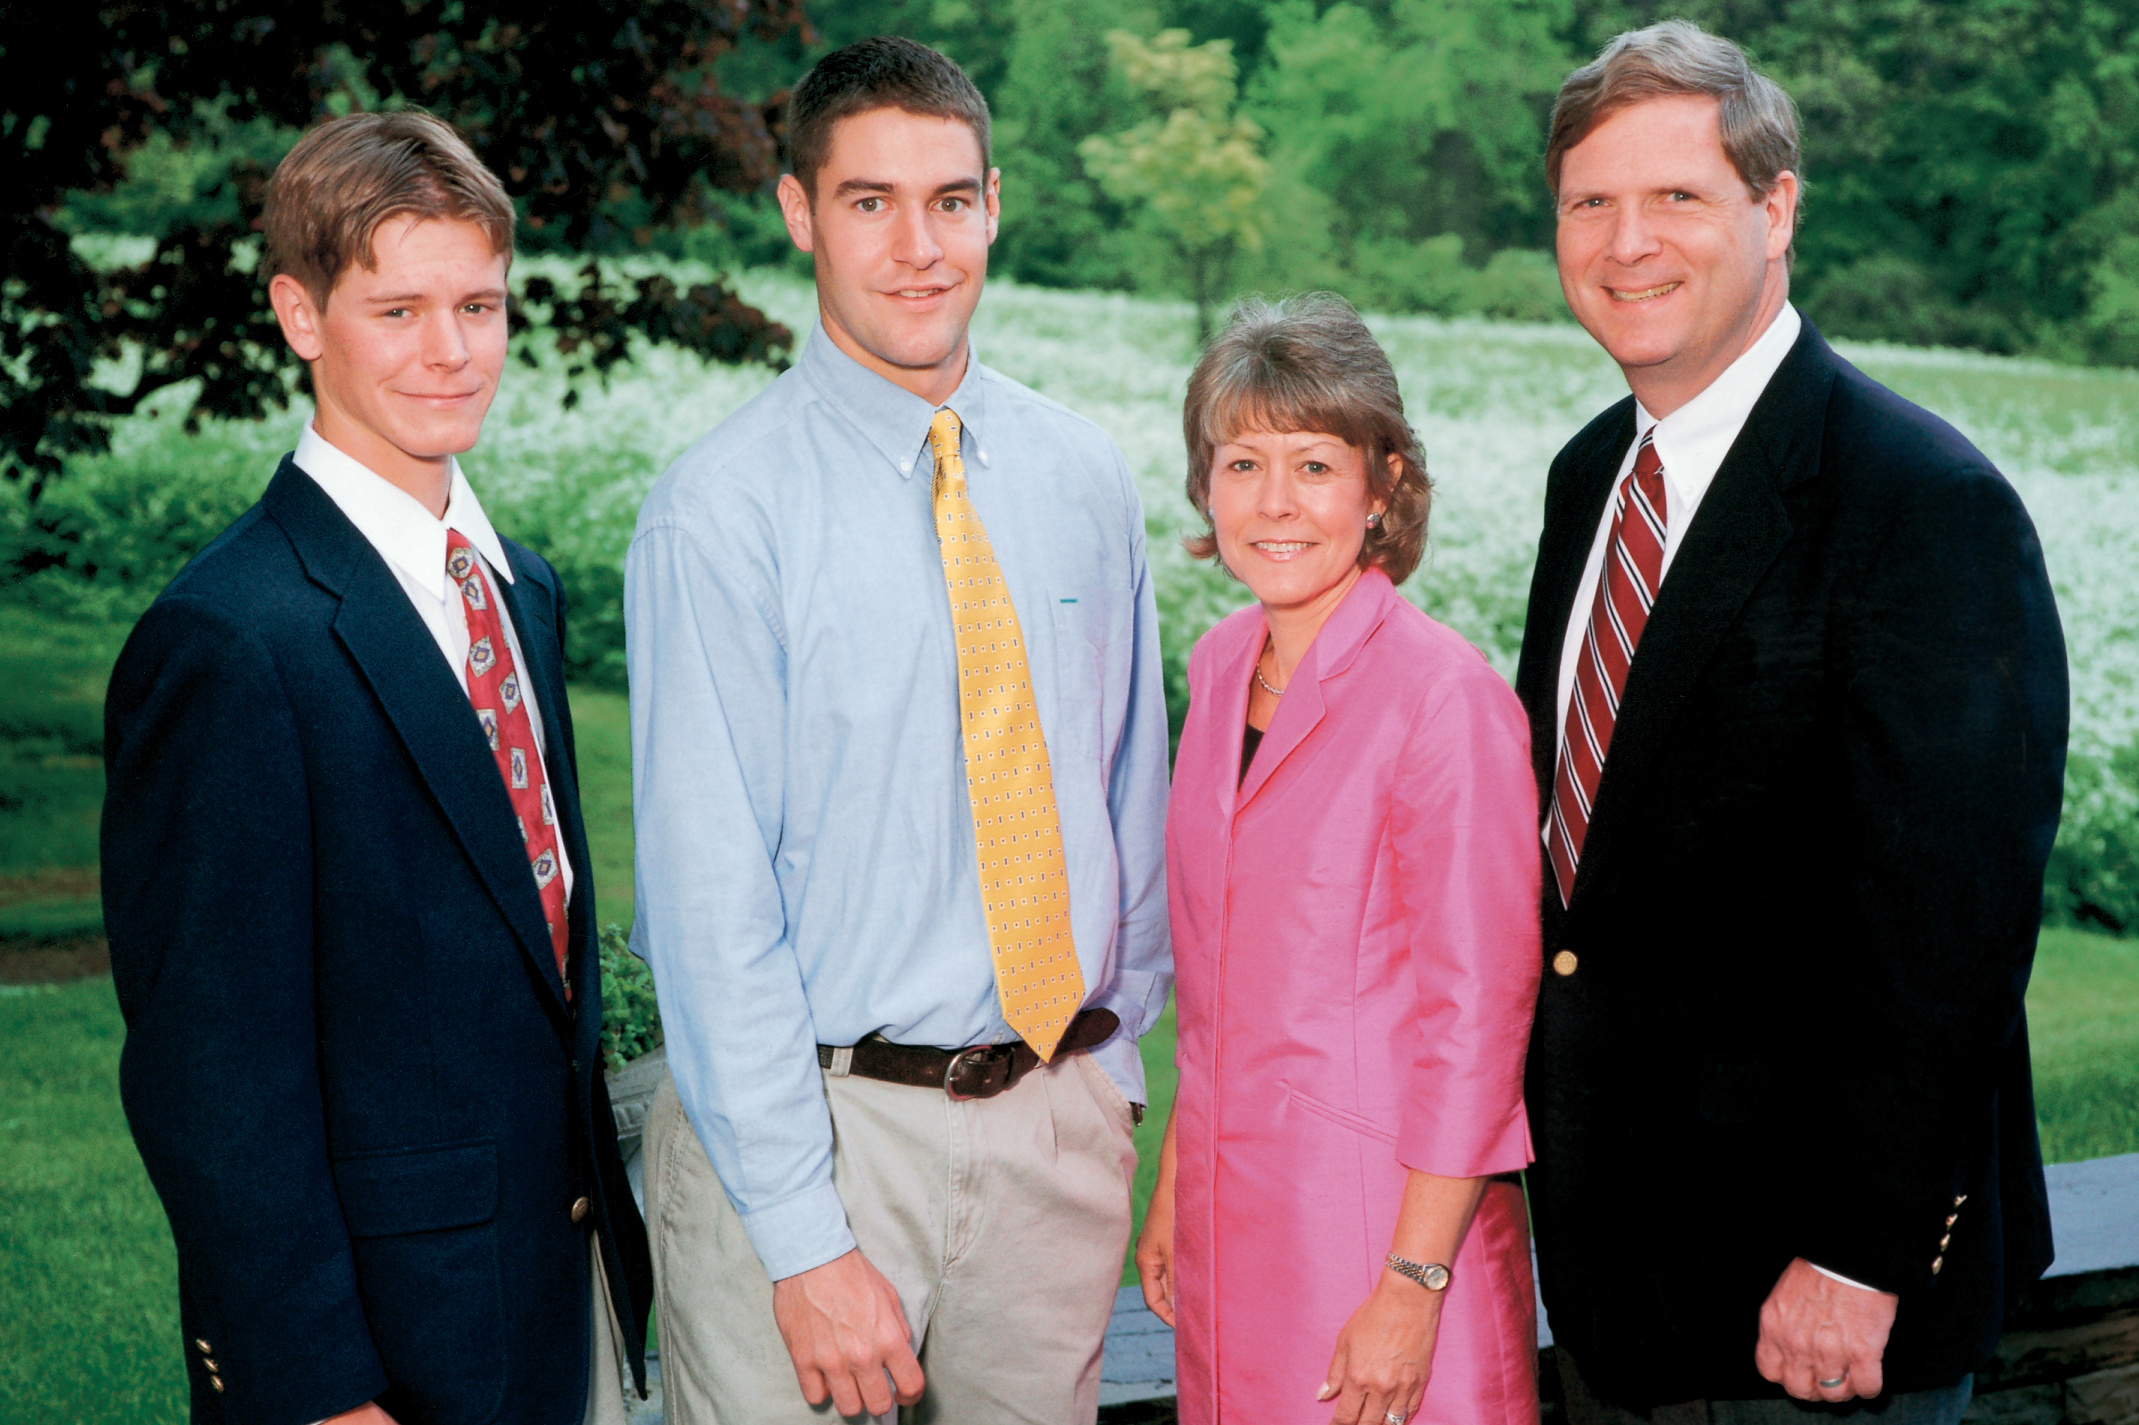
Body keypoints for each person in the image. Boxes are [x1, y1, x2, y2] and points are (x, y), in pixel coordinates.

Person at [1514, 22, 2069, 1425]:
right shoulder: (1589, 479)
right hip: (1612, 1286)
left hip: (1806, 1318)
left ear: (1773, 209)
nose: (1624, 241)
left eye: (1674, 198)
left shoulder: (1918, 505)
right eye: (1590, 202)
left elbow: (1949, 930)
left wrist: (1856, 1253)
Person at [624, 35, 1172, 1425]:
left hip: (1047, 1127)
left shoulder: (1080, 475)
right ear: (801, 214)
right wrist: (803, 1238)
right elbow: (708, 906)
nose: (918, 246)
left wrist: (1104, 1082)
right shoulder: (719, 511)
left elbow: (1125, 794)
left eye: (948, 199)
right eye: (869, 202)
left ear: (993, 202)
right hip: (813, 1132)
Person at [100, 111, 650, 1425]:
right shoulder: (232, 638)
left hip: (557, 1293)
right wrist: (317, 1393)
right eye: (397, 308)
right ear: (301, 315)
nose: (450, 350)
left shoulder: (520, 592)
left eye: (479, 304)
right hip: (376, 1354)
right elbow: (213, 1079)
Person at [1138, 293, 1544, 1425]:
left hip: (1382, 1244)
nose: (1274, 504)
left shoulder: (1443, 700)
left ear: (1384, 487)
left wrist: (1413, 1290)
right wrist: (1177, 1184)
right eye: (1240, 463)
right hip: (1233, 1233)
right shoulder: (1221, 668)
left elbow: (1479, 1024)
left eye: (1315, 466)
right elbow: (1220, 982)